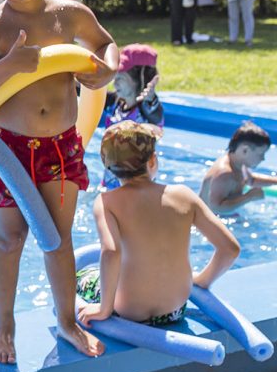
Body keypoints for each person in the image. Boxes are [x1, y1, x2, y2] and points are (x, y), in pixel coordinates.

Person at [0, 0, 118, 364]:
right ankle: (4, 327)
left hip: (61, 145)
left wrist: (104, 71)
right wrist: (10, 65)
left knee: (58, 237)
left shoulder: (70, 14)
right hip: (6, 149)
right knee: (9, 239)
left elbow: (105, 45)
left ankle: (67, 321)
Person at [77, 121, 240, 327]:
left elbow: (110, 252)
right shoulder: (184, 195)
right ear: (152, 160)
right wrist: (201, 281)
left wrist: (104, 308)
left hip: (128, 311)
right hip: (174, 309)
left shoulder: (107, 202)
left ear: (107, 166)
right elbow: (230, 248)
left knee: (82, 275)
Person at [101, 44, 164, 190]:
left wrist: (151, 99)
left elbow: (156, 116)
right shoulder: (115, 103)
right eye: (114, 76)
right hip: (111, 184)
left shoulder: (146, 110)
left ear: (140, 80)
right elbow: (81, 90)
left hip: (139, 189)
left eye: (120, 78)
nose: (115, 82)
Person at [199, 121, 276, 214]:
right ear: (245, 150)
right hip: (210, 221)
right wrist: (248, 197)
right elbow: (215, 208)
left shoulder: (238, 164)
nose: (263, 159)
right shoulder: (224, 173)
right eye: (260, 154)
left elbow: (251, 180)